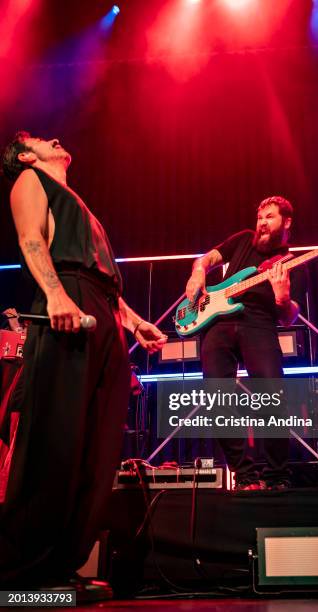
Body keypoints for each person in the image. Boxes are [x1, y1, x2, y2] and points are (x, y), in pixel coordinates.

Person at [0, 132, 167, 589]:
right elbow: (30, 239)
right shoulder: (30, 181)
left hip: (102, 309)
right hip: (67, 301)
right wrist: (55, 294)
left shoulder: (80, 203)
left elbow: (104, 281)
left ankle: (61, 565)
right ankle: (20, 571)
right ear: (27, 155)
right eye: (39, 138)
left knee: (98, 444)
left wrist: (132, 322)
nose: (55, 138)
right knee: (57, 438)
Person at [185, 196, 306, 491]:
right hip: (218, 323)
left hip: (259, 324)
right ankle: (246, 476)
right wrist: (197, 273)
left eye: (269, 217)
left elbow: (289, 317)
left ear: (286, 222)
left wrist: (282, 298)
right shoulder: (242, 240)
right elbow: (205, 259)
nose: (261, 223)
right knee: (216, 401)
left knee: (272, 397)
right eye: (259, 217)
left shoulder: (291, 261)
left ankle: (277, 477)